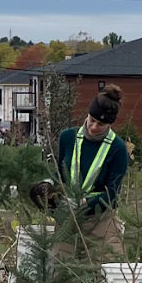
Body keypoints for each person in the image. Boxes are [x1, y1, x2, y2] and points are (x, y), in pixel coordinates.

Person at [57, 84, 129, 259]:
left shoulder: (118, 148)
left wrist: (85, 203)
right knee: (62, 265)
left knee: (106, 263)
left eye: (101, 124)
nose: (94, 127)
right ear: (87, 115)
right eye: (92, 120)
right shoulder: (67, 137)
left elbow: (112, 194)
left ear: (110, 124)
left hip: (100, 217)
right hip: (68, 215)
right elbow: (59, 174)